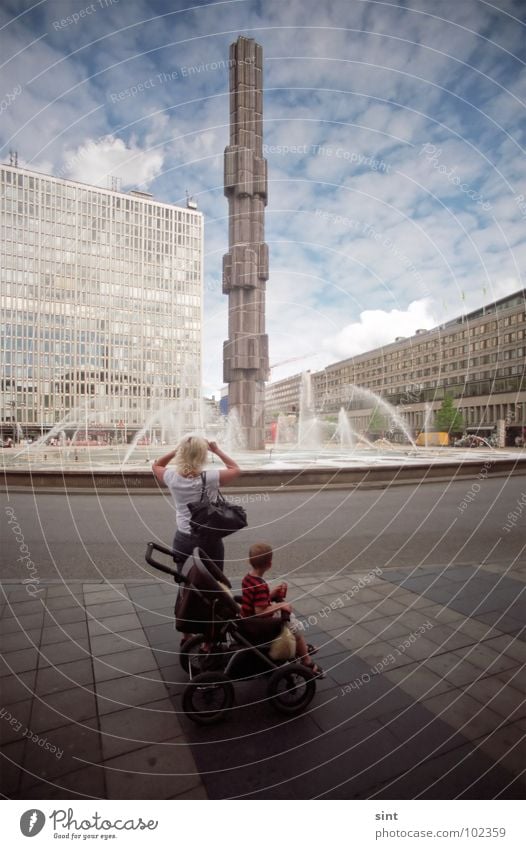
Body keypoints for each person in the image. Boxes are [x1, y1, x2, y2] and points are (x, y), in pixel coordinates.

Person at [152, 436, 241, 572]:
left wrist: (175, 451)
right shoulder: (211, 478)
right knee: (214, 581)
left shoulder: (171, 477)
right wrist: (216, 450)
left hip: (183, 537)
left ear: (181, 453)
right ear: (202, 455)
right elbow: (235, 468)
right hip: (209, 539)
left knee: (185, 581)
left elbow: (156, 466)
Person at [241, 542, 324, 677]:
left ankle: (301, 648)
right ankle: (306, 660)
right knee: (296, 627)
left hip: (248, 620)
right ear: (269, 564)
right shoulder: (260, 585)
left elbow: (256, 601)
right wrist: (280, 605)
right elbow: (259, 611)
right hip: (258, 624)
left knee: (291, 619)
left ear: (249, 561)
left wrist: (271, 595)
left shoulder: (248, 579)